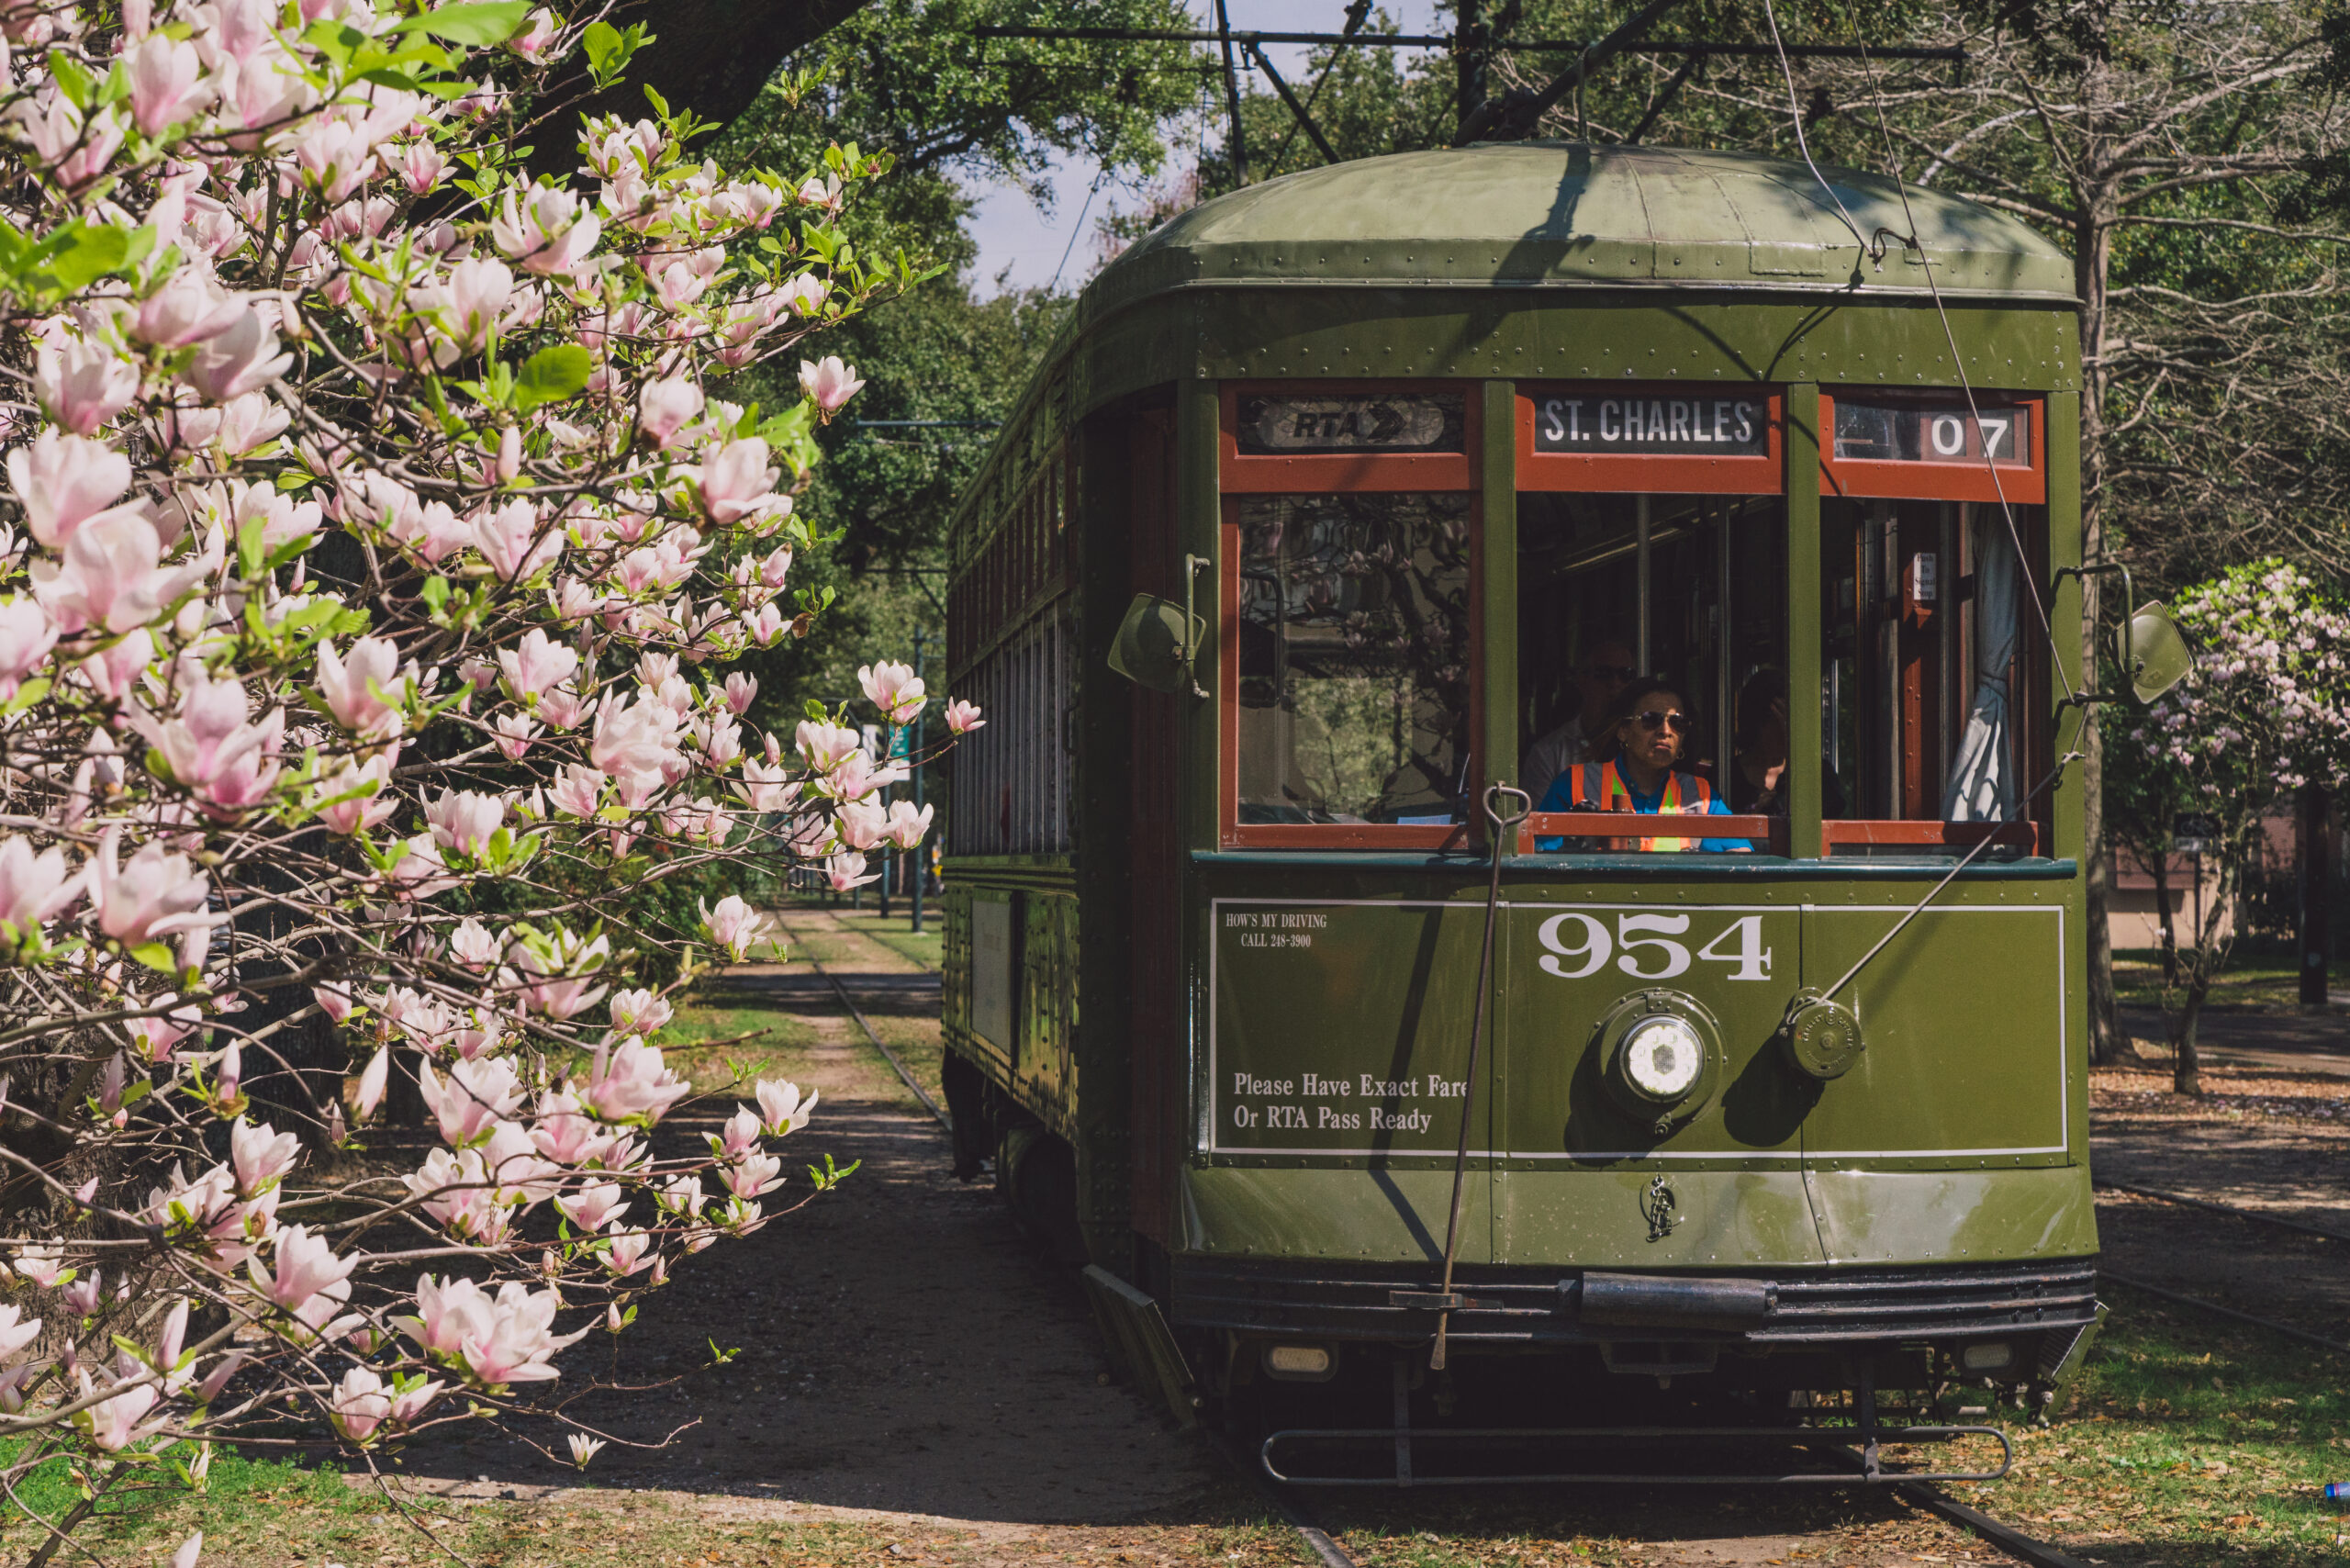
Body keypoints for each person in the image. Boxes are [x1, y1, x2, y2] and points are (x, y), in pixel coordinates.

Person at [1535, 677, 1746, 852]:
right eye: (1650, 719)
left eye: (1678, 722)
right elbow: (1541, 857)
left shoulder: (1701, 795)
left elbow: (1741, 857)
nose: (1666, 731)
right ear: (1623, 730)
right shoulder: (1574, 784)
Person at [1521, 638, 1637, 807]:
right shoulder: (1549, 753)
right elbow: (1536, 823)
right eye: (1603, 673)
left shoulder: (1643, 745)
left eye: (1625, 674)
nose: (1615, 683)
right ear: (1580, 679)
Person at [1725, 667, 1846, 819]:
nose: (1785, 734)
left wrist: (1797, 755)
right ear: (1756, 722)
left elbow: (1834, 810)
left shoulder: (1819, 773)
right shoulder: (1726, 776)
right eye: (1777, 722)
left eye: (1792, 724)